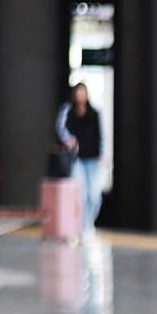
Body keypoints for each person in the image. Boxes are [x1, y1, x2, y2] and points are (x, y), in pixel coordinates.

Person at [54, 80, 104, 229]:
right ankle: (82, 228)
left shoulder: (95, 113)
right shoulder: (68, 110)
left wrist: (104, 153)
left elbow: (102, 134)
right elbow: (60, 127)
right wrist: (69, 140)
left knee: (94, 196)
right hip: (77, 159)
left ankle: (88, 223)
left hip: (93, 158)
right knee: (81, 194)